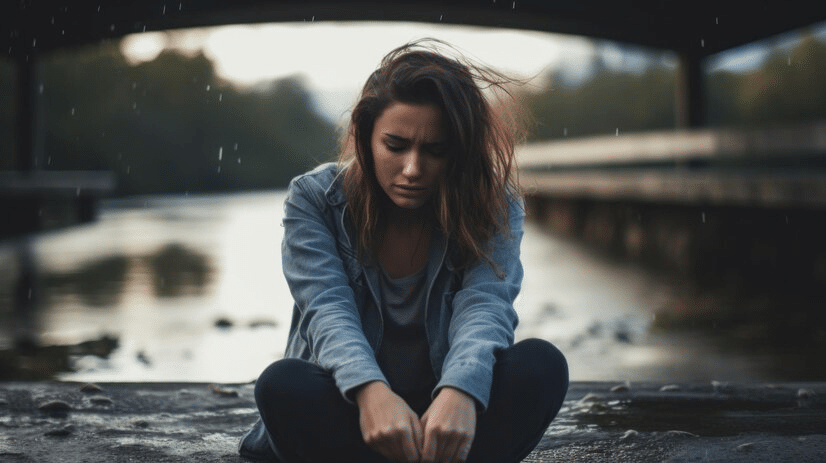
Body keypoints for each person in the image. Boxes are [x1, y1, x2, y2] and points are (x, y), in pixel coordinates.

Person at [239, 39, 568, 463]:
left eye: (435, 151)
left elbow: (487, 306)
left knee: (542, 365)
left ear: (459, 151)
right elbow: (326, 311)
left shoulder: (495, 204)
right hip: (348, 410)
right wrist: (370, 393)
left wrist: (461, 391)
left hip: (441, 422)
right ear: (364, 137)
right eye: (395, 146)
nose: (413, 169)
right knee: (281, 384)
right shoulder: (314, 200)